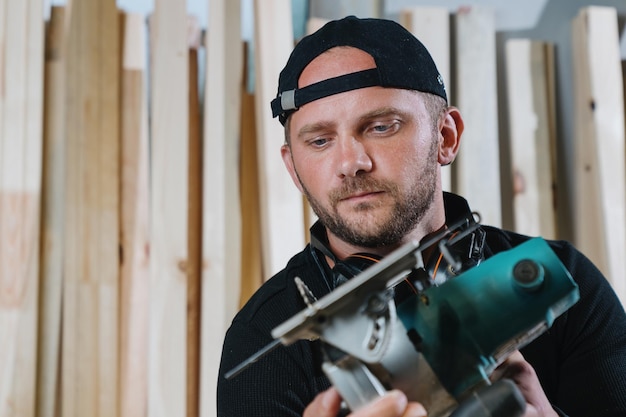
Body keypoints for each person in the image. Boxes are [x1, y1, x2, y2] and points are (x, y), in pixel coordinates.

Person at [217, 15, 626, 417]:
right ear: (293, 168)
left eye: (380, 127)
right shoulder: (261, 339)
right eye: (320, 140)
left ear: (446, 137)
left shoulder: (558, 278)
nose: (351, 163)